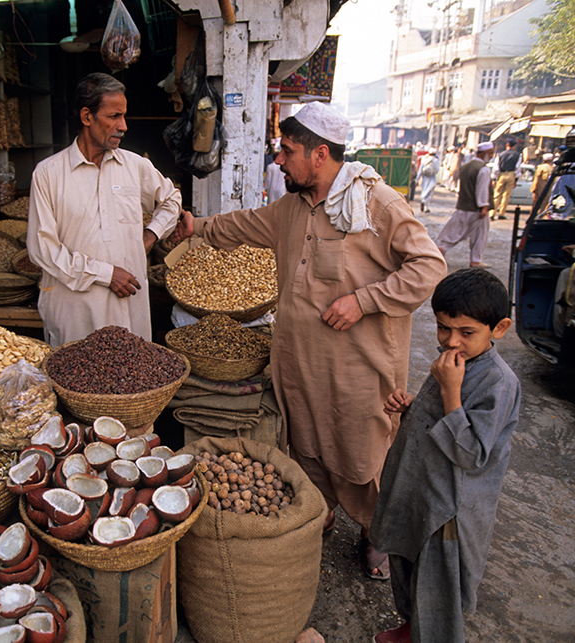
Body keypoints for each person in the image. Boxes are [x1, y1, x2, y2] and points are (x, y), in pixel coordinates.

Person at [169, 101, 447, 580]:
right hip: (300, 361)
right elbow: (247, 224)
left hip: (358, 368)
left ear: (321, 155)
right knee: (308, 444)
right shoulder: (293, 206)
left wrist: (364, 301)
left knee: (363, 452)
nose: (279, 160)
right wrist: (199, 227)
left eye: (288, 151)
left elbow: (429, 266)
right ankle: (323, 511)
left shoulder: (375, 202)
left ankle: (375, 534)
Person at [370, 268, 521, 643]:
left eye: (466, 333)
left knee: (437, 587)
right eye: (442, 328)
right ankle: (410, 629)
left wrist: (451, 393)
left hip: (449, 511)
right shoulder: (452, 361)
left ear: (499, 328)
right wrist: (411, 407)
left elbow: (471, 454)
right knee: (408, 565)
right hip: (420, 486)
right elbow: (438, 415)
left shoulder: (498, 382)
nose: (452, 342)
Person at [26, 73, 182, 347]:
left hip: (128, 306)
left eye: (123, 116)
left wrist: (149, 236)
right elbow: (42, 248)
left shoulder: (135, 166)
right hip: (75, 308)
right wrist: (105, 274)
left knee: (131, 377)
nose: (123, 126)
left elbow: (171, 200)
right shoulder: (49, 174)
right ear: (87, 117)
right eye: (114, 116)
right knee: (77, 378)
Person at [436, 142, 495, 268]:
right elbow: (482, 190)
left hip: (465, 205)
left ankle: (475, 260)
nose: (491, 156)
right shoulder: (483, 170)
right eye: (490, 153)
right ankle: (442, 249)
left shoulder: (467, 166)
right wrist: (484, 206)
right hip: (475, 208)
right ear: (483, 153)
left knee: (477, 233)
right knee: (461, 232)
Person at [490, 139, 520, 220]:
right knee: (506, 195)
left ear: (507, 145)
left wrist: (494, 178)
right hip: (511, 174)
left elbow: (496, 167)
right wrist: (516, 180)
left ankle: (492, 213)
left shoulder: (500, 154)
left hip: (501, 174)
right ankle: (501, 214)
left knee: (497, 194)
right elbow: (518, 168)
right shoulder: (517, 155)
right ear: (514, 146)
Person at [417, 148, 440, 212]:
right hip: (432, 178)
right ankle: (426, 207)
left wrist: (417, 179)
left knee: (424, 190)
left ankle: (423, 201)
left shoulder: (424, 160)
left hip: (425, 178)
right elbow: (437, 169)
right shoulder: (436, 160)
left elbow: (420, 170)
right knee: (429, 193)